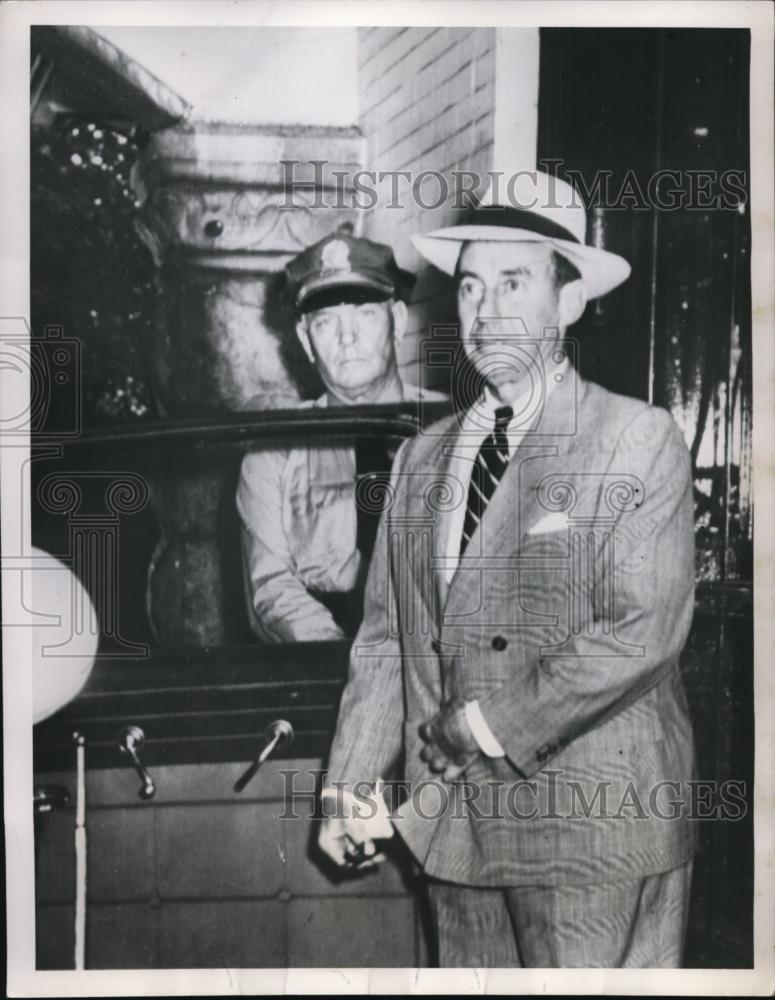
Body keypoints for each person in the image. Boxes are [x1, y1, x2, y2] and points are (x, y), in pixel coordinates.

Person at [318, 171, 697, 967]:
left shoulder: (633, 438)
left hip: (591, 831)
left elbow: (639, 631)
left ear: (568, 302)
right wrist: (348, 787)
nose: (485, 311)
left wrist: (485, 725)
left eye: (513, 282)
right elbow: (385, 640)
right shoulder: (418, 460)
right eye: (469, 286)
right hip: (454, 833)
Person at [236, 231, 446, 643]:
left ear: (398, 321)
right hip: (326, 660)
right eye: (325, 321)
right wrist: (353, 667)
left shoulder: (454, 426)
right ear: (305, 339)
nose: (346, 337)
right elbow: (271, 588)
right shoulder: (275, 450)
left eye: (364, 313)